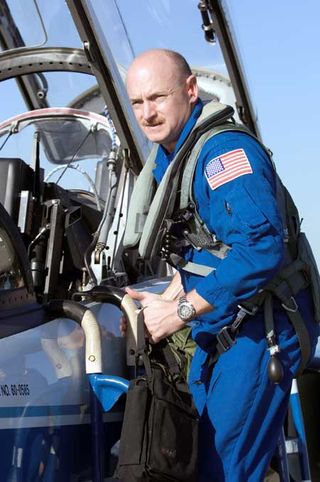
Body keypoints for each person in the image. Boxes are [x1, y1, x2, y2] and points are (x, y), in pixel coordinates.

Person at [123, 48, 319, 481]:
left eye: (158, 97)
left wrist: (179, 312)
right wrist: (162, 300)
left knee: (225, 469)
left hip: (263, 327)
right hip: (226, 327)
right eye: (137, 102)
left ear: (190, 90)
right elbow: (203, 252)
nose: (147, 113)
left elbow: (261, 249)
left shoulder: (223, 154)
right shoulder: (171, 157)